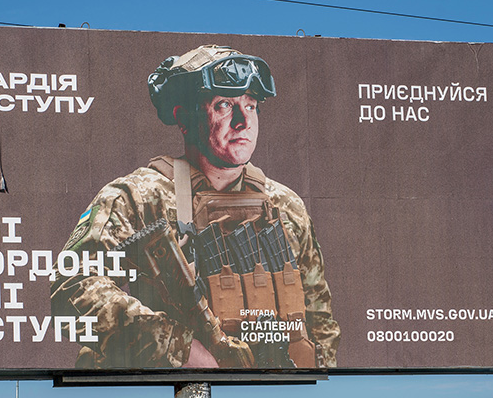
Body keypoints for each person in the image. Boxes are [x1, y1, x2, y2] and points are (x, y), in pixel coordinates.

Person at [52, 44, 340, 369]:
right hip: (156, 395)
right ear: (184, 117)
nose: (244, 121)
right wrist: (180, 349)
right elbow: (71, 286)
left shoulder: (285, 206)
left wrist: (309, 385)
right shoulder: (138, 196)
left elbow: (320, 320)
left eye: (251, 105)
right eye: (224, 105)